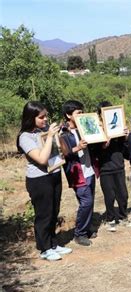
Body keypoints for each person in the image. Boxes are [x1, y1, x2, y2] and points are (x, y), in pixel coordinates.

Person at [17, 101, 72, 261]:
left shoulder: (45, 130)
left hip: (54, 174)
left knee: (54, 211)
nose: (45, 120)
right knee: (44, 214)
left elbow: (65, 152)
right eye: (41, 117)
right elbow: (41, 159)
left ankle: (53, 244)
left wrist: (59, 135)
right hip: (39, 180)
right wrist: (49, 137)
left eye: (46, 116)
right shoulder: (25, 137)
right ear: (31, 117)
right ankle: (44, 248)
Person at [59, 100, 99, 246]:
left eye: (82, 112)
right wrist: (77, 147)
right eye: (78, 113)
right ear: (69, 115)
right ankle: (79, 233)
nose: (81, 115)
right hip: (77, 172)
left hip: (89, 170)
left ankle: (86, 228)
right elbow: (63, 154)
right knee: (86, 202)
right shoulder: (63, 132)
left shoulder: (85, 127)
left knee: (90, 201)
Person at [96, 101, 129, 232]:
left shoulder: (118, 127)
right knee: (109, 196)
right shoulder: (96, 131)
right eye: (102, 113)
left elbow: (124, 149)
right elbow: (94, 152)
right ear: (99, 115)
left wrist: (125, 137)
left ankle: (122, 215)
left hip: (119, 166)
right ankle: (110, 219)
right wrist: (103, 145)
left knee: (123, 194)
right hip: (105, 168)